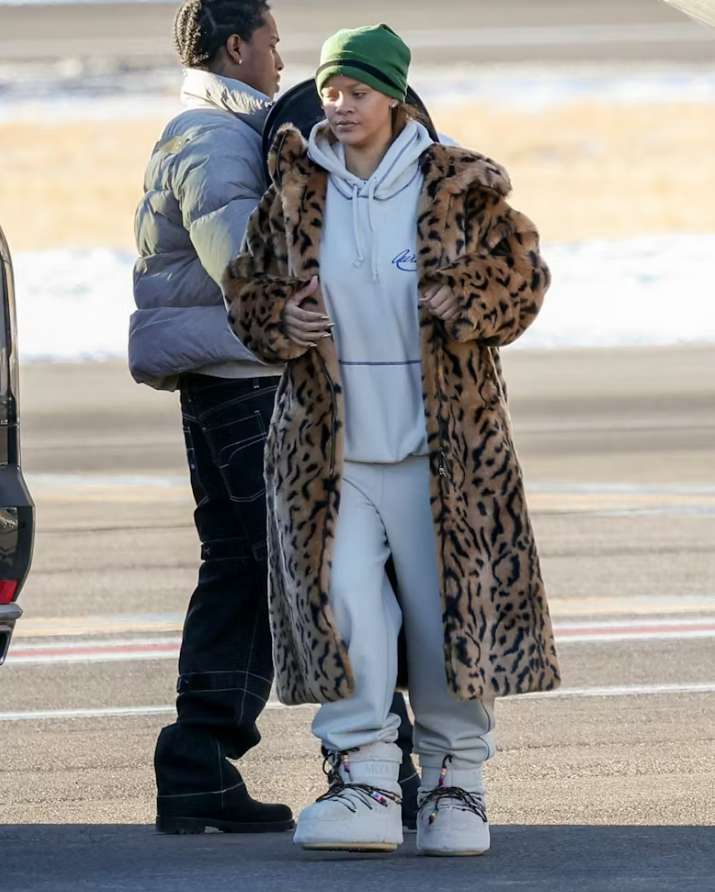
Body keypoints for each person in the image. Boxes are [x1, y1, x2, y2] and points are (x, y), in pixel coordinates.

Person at [224, 24, 561, 856]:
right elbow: (246, 290)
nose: (340, 105)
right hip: (330, 458)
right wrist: (281, 318)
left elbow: (525, 279)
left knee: (446, 621)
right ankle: (366, 783)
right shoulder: (295, 191)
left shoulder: (459, 186)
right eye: (330, 91)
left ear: (395, 96)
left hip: (441, 454)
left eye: (358, 91)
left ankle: (455, 790)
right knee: (343, 613)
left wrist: (464, 296)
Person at [131, 2, 418, 835]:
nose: (283, 62)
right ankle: (375, 770)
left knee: (239, 574)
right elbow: (251, 271)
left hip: (224, 382)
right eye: (273, 43)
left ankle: (198, 771)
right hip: (250, 387)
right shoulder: (215, 140)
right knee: (333, 570)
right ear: (236, 46)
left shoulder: (213, 133)